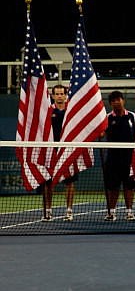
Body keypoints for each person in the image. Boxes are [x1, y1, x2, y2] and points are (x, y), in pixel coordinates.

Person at [41, 84, 77, 221]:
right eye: (57, 94)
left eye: (62, 93)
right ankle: (48, 211)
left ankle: (69, 211)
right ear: (53, 95)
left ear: (66, 95)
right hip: (51, 151)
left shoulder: (71, 111)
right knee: (48, 182)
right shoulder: (48, 111)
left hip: (67, 150)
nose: (60, 96)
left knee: (69, 182)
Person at [103, 90, 135, 221]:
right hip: (112, 157)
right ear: (111, 103)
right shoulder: (107, 118)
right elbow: (101, 134)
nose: (117, 102)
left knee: (129, 186)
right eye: (113, 100)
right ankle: (111, 212)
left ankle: (129, 211)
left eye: (119, 99)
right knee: (113, 187)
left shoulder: (133, 116)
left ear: (123, 100)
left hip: (129, 157)